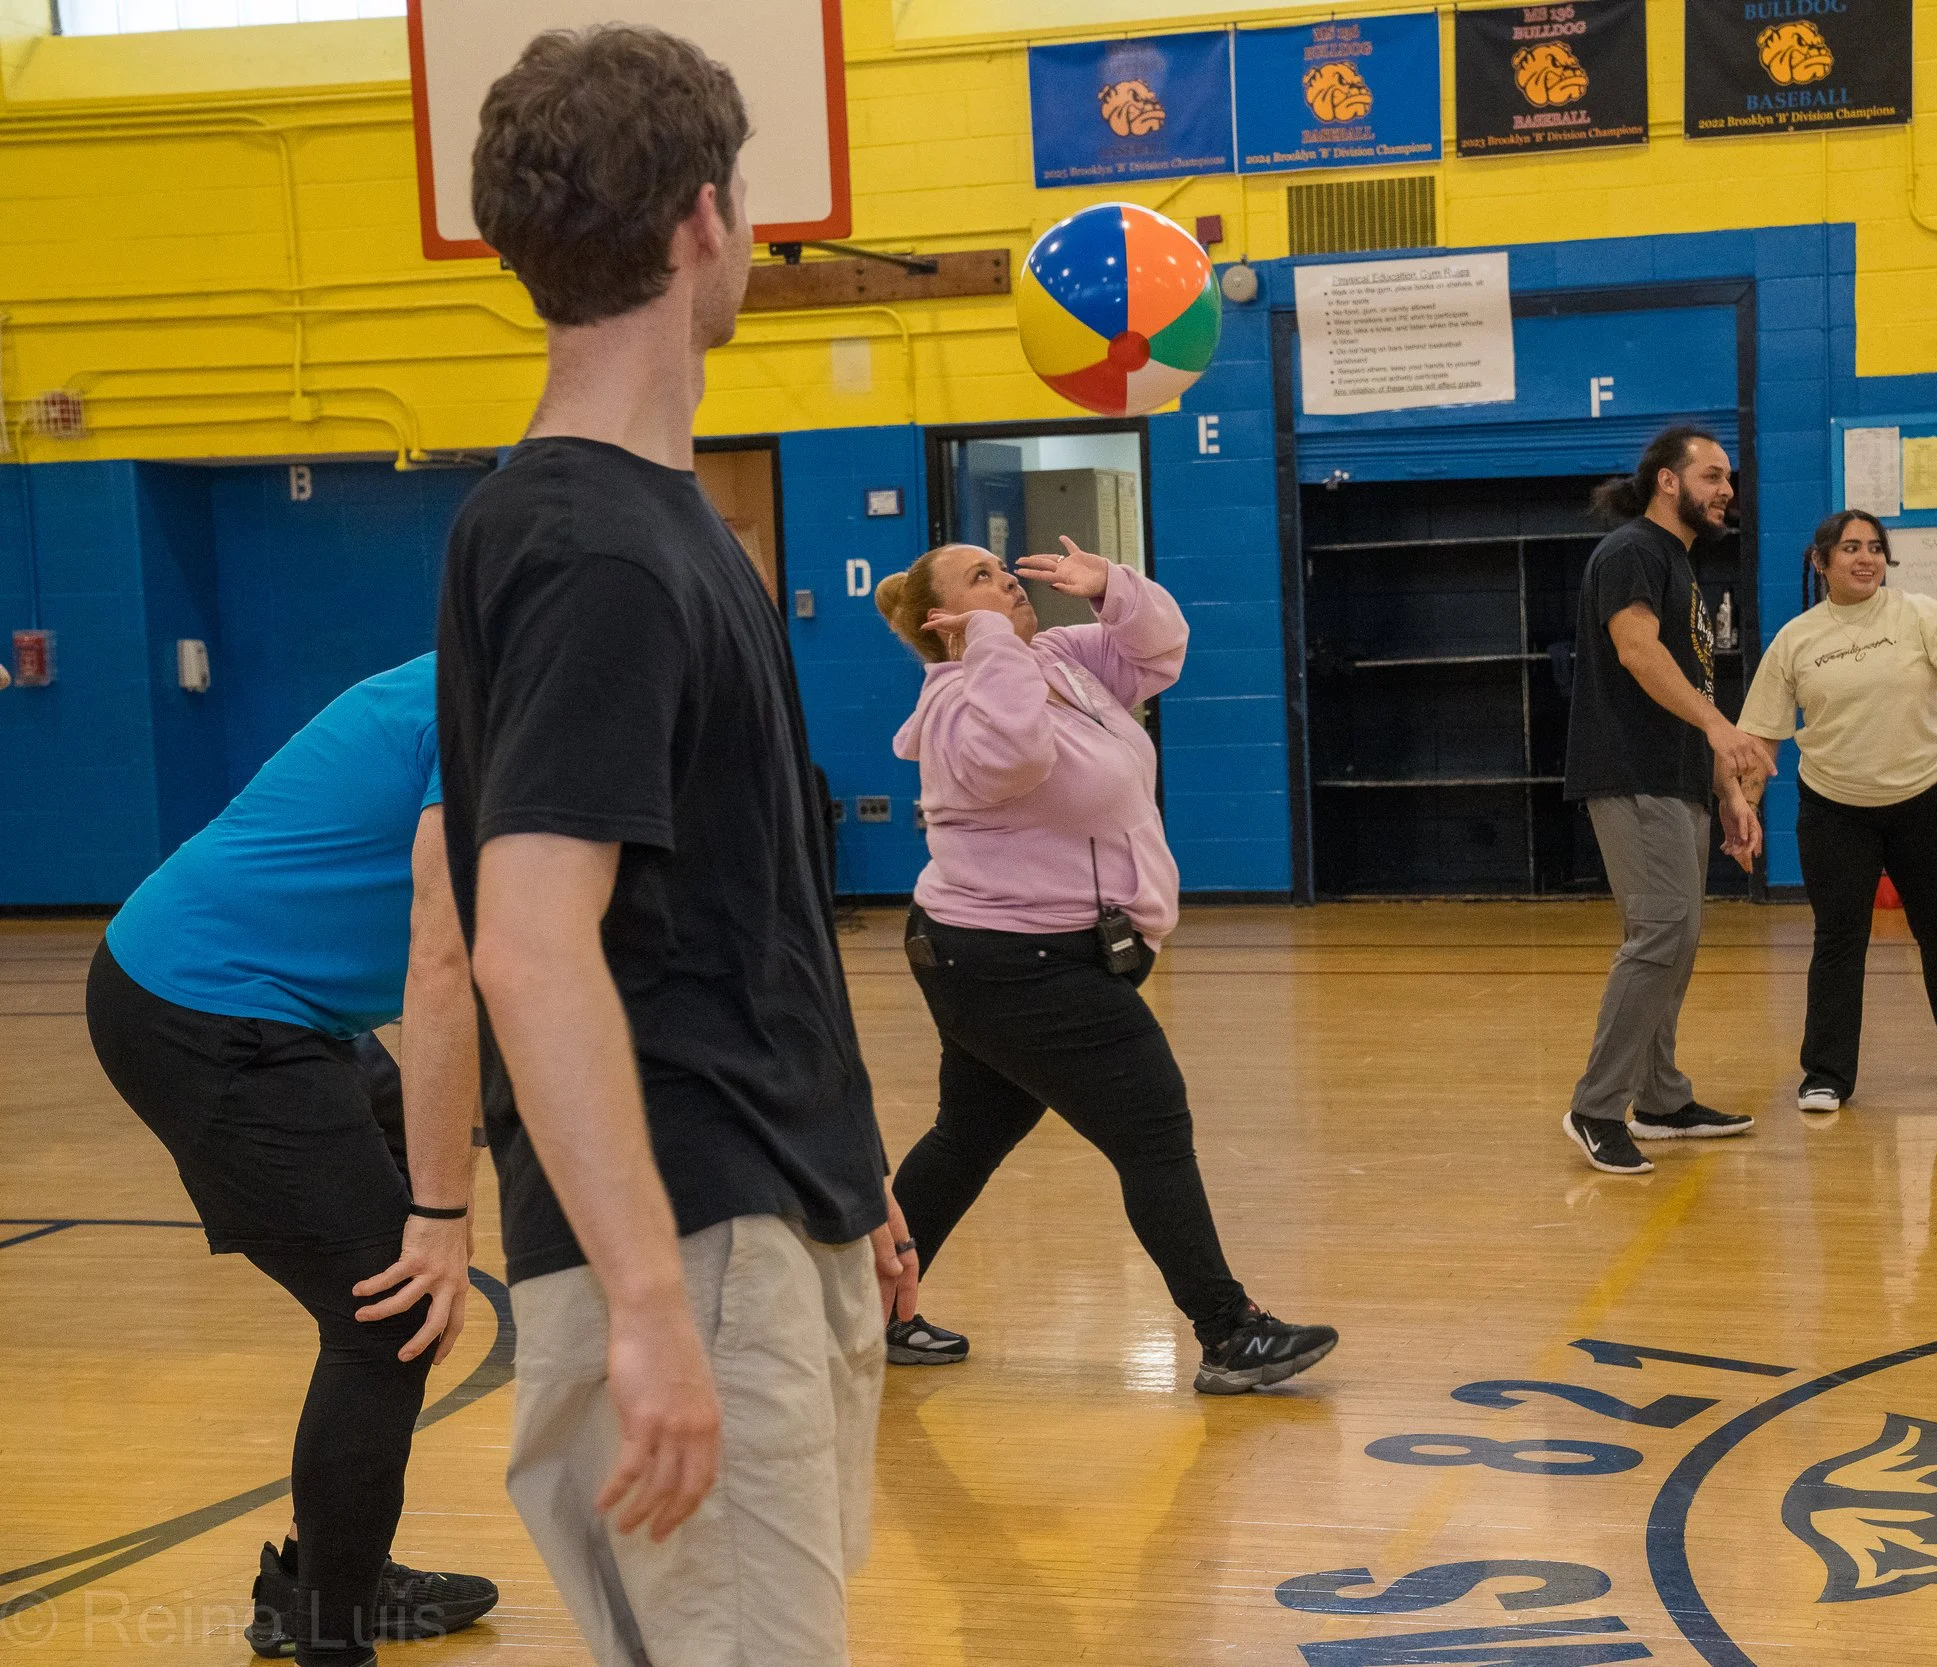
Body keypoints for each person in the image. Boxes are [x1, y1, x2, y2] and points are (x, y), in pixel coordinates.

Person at [437, 27, 906, 1667]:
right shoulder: (591, 551)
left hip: (776, 1204)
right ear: (705, 217)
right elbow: (523, 938)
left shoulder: (668, 529)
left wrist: (855, 1186)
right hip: (693, 1238)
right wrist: (645, 1302)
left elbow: (741, 905)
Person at [84, 654, 499, 1667]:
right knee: (390, 1316)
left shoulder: (504, 660)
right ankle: (327, 1636)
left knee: (393, 1305)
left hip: (296, 1012)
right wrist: (446, 1211)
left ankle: (326, 1575)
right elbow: (446, 956)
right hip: (205, 1005)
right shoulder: (490, 695)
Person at [875, 537, 1339, 1394]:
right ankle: (1228, 1332)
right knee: (1152, 1121)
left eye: (1002, 569)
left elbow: (1159, 650)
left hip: (1017, 954)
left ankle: (866, 1319)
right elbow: (1017, 756)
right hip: (1009, 961)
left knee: (969, 1136)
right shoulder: (955, 708)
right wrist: (986, 647)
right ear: (944, 625)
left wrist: (1112, 589)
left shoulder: (1056, 658)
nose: (1008, 580)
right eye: (982, 578)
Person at [1732, 511, 1937, 1114]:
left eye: (1876, 548)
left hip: (1927, 801)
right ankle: (1826, 1075)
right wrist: (1747, 807)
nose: (1866, 558)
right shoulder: (1795, 640)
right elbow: (1760, 738)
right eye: (1852, 548)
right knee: (1838, 939)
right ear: (1821, 561)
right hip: (1834, 809)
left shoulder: (1921, 615)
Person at [1561, 424, 1771, 1175]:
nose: (1726, 491)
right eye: (1713, 476)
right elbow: (1636, 650)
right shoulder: (1631, 553)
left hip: (1681, 781)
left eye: (1730, 480)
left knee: (1674, 940)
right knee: (1659, 934)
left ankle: (1659, 1096)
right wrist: (1719, 727)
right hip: (1632, 774)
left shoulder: (1679, 565)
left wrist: (1731, 795)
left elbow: (1697, 688)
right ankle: (1594, 1107)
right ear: (1669, 482)